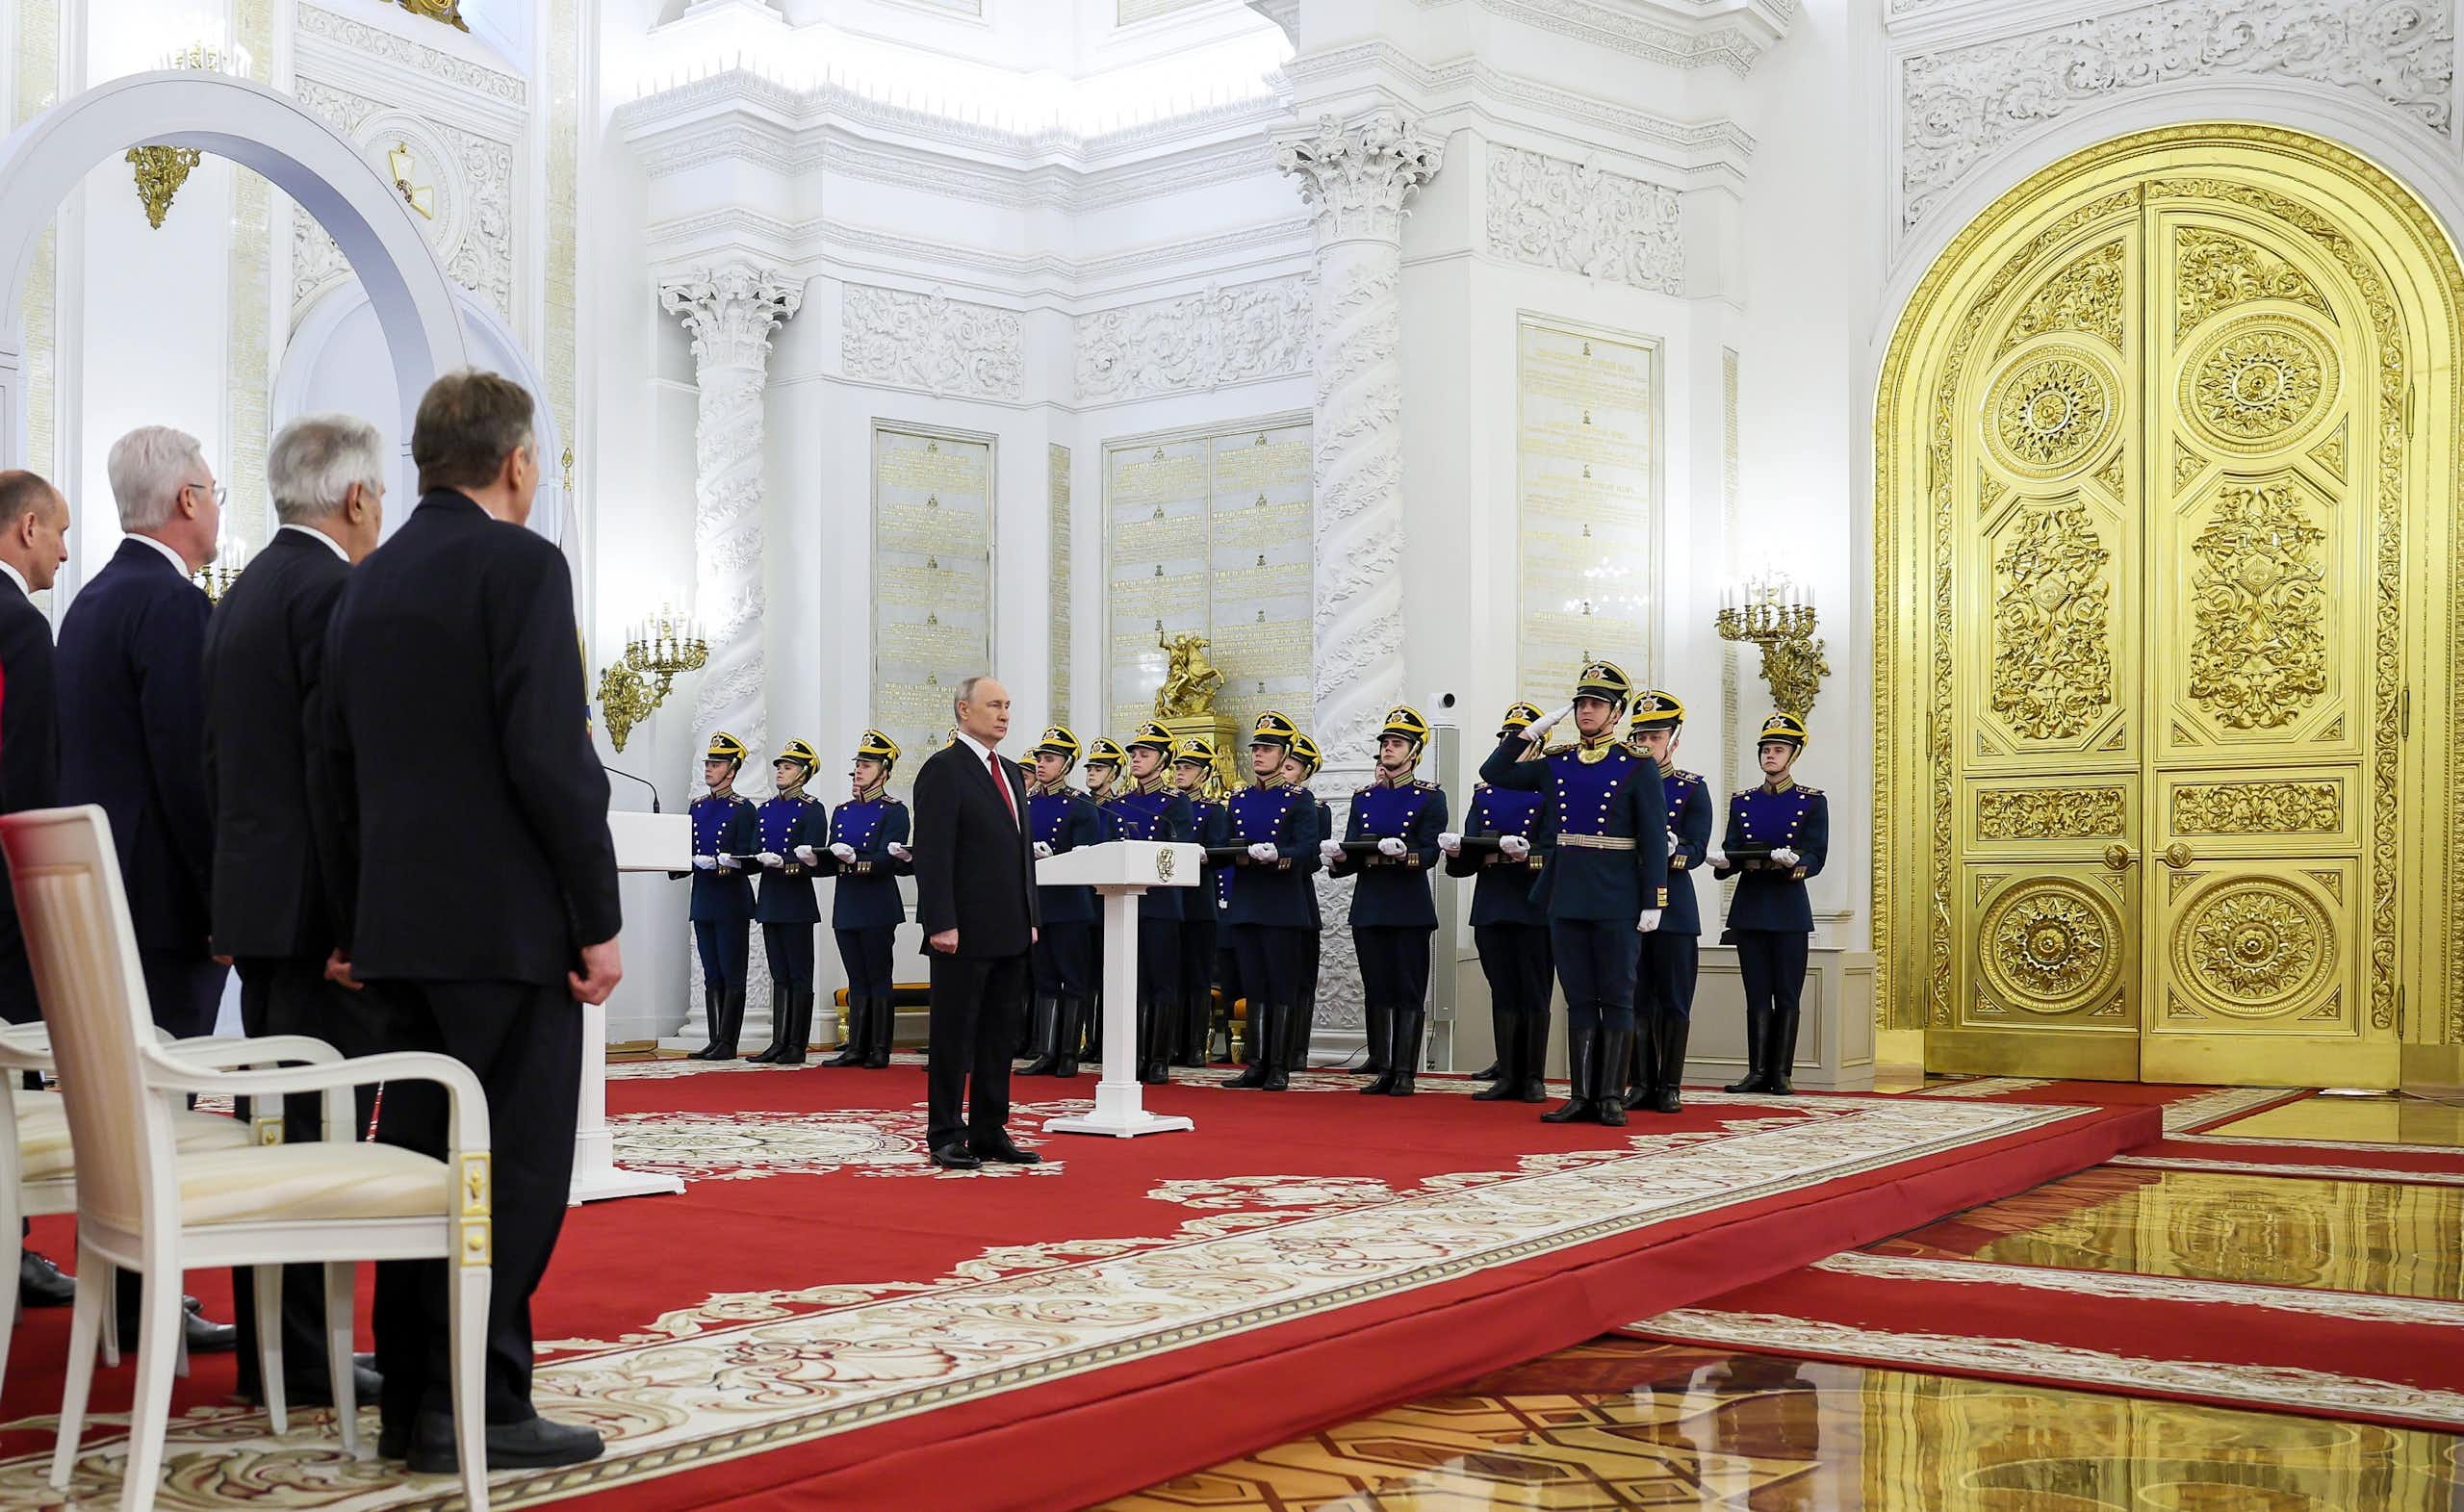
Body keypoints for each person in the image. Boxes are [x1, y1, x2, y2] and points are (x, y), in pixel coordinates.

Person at [315, 369, 621, 1472]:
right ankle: (479, 1409)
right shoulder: (524, 567)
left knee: (424, 1160)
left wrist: (354, 916)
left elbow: (331, 767)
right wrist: (596, 914)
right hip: (508, 932)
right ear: (517, 463)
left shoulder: (369, 578)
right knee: (513, 1175)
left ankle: (413, 1401)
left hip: (400, 933)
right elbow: (550, 755)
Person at [203, 414, 387, 1406]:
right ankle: (311, 1361)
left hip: (262, 912)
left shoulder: (242, 591)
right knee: (321, 1140)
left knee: (278, 1131)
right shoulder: (331, 590)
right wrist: (357, 924)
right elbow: (334, 773)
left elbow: (221, 766)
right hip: (318, 921)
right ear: (355, 498)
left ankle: (280, 1348)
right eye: (379, 498)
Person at [57, 425, 225, 1039]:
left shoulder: (90, 601)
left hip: (98, 889)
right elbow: (190, 768)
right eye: (214, 493)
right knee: (164, 1104)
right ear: (187, 499)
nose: (213, 507)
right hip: (163, 908)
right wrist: (221, 900)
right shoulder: (175, 605)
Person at [1476, 660, 1669, 1128]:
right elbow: (1495, 771)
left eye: (1597, 704)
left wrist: (1653, 900)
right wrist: (1532, 730)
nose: (1586, 710)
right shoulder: (1557, 762)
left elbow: (1652, 836)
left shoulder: (1636, 766)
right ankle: (1581, 1094)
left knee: (1617, 996)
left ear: (1616, 713)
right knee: (1579, 995)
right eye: (1582, 702)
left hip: (1617, 894)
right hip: (1567, 893)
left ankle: (1609, 1096)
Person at [911, 676, 1041, 1170]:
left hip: (1011, 928)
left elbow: (1019, 855)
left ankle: (990, 1129)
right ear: (964, 710)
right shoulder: (944, 769)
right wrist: (940, 921)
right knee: (954, 1034)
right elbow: (934, 852)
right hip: (961, 930)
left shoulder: (1009, 770)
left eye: (1008, 705)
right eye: (993, 705)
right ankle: (946, 1131)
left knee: (998, 1036)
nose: (1004, 713)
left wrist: (1031, 916)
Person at [0, 470, 74, 1309]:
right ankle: (11, 1249)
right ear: (25, 528)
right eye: (57, 530)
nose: (62, 546)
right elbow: (30, 775)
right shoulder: (20, 625)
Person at [1324, 706, 1447, 1096]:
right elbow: (1353, 850)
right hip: (1371, 902)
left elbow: (1429, 854)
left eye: (1396, 743)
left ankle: (1406, 1071)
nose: (1388, 749)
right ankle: (1385, 1066)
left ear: (1414, 752)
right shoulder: (1364, 797)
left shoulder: (1430, 797)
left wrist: (1401, 853)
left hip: (1408, 904)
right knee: (1378, 987)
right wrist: (1339, 858)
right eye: (1385, 743)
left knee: (1408, 988)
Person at [1447, 702, 1556, 1105]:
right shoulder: (1485, 793)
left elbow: (1553, 846)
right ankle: (1507, 1073)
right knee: (1503, 992)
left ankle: (1532, 1076)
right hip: (1493, 902)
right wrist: (1459, 850)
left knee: (1534, 992)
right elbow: (1470, 855)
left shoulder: (1548, 789)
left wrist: (1525, 855)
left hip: (1532, 904)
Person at [1714, 713, 1828, 1096]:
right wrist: (1725, 861)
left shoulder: (1811, 802)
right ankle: (1757, 1070)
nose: (1769, 756)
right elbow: (1733, 847)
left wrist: (1797, 863)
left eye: (1778, 750)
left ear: (1793, 754)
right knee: (1757, 993)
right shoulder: (1742, 801)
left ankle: (1782, 1072)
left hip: (1788, 906)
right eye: (1765, 749)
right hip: (1751, 905)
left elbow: (1817, 852)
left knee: (1788, 993)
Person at [1621, 693, 1712, 1114]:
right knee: (1636, 997)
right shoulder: (1622, 783)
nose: (1646, 743)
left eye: (1655, 736)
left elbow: (1696, 848)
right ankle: (1640, 1082)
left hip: (1673, 906)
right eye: (1640, 735)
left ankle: (1669, 1084)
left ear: (1673, 740)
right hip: (1628, 901)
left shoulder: (1692, 788)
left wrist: (1673, 850)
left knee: (1674, 999)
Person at [1220, 711, 1321, 1091]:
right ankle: (1257, 1061)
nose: (1259, 755)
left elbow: (1309, 851)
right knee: (1254, 986)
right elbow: (1227, 842)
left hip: (1281, 902)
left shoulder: (1299, 799)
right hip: (1247, 900)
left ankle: (1279, 1063)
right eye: (1257, 748)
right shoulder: (1240, 799)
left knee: (1280, 984)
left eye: (1268, 749)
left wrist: (1278, 854)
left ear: (1284, 754)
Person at [1106, 721, 1194, 1085]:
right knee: (1131, 983)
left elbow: (1180, 851)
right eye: (1135, 754)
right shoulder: (1120, 804)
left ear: (1163, 761)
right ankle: (1134, 1054)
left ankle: (1158, 1056)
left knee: (1162, 980)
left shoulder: (1176, 803)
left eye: (1145, 754)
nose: (1137, 760)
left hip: (1160, 903)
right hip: (1123, 904)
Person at [823, 730, 910, 1068]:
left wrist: (855, 860)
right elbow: (833, 852)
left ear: (884, 771)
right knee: (856, 977)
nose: (859, 770)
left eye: (867, 764)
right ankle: (856, 1045)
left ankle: (879, 1047)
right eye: (858, 764)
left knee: (878, 975)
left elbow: (891, 858)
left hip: (876, 902)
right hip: (847, 902)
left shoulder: (894, 811)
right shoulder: (842, 811)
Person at [1020, 725, 1103, 1078]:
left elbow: (1088, 855)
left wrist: (1057, 854)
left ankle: (1069, 1051)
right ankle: (1046, 1050)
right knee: (1045, 978)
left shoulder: (1080, 804)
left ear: (1066, 765)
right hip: (1037, 902)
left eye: (1050, 759)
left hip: (1069, 903)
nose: (1041, 764)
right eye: (1040, 758)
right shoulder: (1027, 803)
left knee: (1073, 977)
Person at [674, 732, 757, 1059]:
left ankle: (728, 1041)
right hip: (704, 897)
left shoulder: (743, 809)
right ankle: (714, 1038)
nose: (709, 768)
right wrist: (683, 862)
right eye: (708, 762)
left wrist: (729, 861)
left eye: (717, 763)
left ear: (732, 770)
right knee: (712, 972)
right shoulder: (697, 807)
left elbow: (753, 855)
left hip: (731, 899)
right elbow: (684, 850)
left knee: (732, 970)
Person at [747, 739, 830, 1064]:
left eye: (788, 767)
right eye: (780, 767)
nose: (781, 771)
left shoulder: (812, 809)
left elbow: (813, 856)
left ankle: (797, 1043)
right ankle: (778, 1040)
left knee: (799, 974)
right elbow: (756, 848)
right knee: (778, 974)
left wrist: (784, 863)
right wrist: (757, 858)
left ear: (804, 773)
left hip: (796, 899)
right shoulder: (765, 809)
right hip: (770, 898)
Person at [1168, 736, 1223, 1067]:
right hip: (1169, 900)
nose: (1180, 773)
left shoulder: (1212, 811)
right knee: (1171, 974)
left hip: (1198, 901)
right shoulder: (1168, 807)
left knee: (1197, 976)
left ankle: (1195, 1045)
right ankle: (1172, 1043)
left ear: (1203, 774)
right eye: (1178, 766)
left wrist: (1204, 856)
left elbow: (1218, 851)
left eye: (1188, 768)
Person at [1281, 732, 1332, 1076]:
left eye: (1290, 767)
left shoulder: (1314, 808)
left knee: (1300, 980)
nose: (1284, 772)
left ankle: (1297, 1048)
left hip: (1297, 896)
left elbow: (1313, 856)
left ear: (1303, 773)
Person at [1075, 735, 1125, 1063]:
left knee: (1112, 974)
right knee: (1089, 974)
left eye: (1100, 768)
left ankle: (1109, 1039)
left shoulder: (1120, 809)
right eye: (1090, 767)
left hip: (1115, 899)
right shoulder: (1082, 805)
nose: (1092, 773)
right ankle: (1091, 1040)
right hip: (1087, 900)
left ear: (1114, 773)